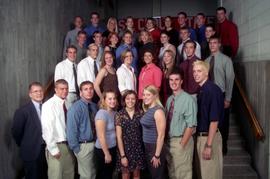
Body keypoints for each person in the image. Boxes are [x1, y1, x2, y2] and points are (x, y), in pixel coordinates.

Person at [193, 61, 224, 179]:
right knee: (203, 174)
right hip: (201, 137)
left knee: (210, 175)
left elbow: (214, 120)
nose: (195, 74)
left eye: (199, 71)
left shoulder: (212, 90)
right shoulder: (200, 90)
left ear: (206, 73)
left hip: (209, 138)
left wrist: (209, 145)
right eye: (194, 71)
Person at [205, 35, 235, 155]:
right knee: (211, 121)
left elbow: (230, 79)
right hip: (209, 95)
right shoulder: (206, 61)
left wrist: (228, 98)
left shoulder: (226, 60)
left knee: (223, 122)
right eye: (210, 43)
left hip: (221, 95)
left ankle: (223, 147)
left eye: (215, 43)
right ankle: (213, 144)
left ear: (219, 44)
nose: (212, 45)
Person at [166, 68, 197, 179]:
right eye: (171, 80)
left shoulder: (188, 99)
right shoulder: (170, 100)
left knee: (183, 175)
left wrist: (182, 144)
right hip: (169, 143)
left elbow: (191, 125)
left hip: (181, 141)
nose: (173, 82)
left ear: (181, 81)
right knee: (172, 174)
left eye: (176, 79)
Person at [12, 82, 47, 179]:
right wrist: (25, 144)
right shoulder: (22, 111)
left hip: (47, 150)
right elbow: (16, 132)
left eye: (40, 91)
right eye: (35, 91)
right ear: (30, 94)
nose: (39, 93)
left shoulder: (47, 108)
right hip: (31, 152)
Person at [41, 79, 75, 179]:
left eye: (66, 89)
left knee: (69, 175)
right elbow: (47, 128)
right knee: (56, 175)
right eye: (61, 89)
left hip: (68, 145)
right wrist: (53, 148)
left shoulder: (68, 103)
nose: (64, 91)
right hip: (57, 145)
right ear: (55, 90)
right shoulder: (48, 105)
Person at [66, 81, 98, 179]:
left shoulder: (94, 106)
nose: (89, 91)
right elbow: (71, 130)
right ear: (80, 93)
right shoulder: (75, 108)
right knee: (86, 175)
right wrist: (77, 149)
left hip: (95, 144)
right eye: (85, 89)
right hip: (83, 146)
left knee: (93, 173)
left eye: (91, 88)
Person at [115, 90, 145, 179]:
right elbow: (119, 137)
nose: (130, 101)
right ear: (124, 100)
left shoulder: (140, 113)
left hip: (138, 149)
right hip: (124, 149)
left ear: (136, 100)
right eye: (128, 99)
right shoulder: (119, 114)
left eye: (133, 99)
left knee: (136, 175)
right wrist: (123, 156)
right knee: (126, 175)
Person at [140, 85, 166, 179]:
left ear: (155, 95)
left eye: (148, 95)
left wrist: (157, 155)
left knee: (157, 175)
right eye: (144, 94)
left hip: (155, 147)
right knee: (152, 174)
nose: (145, 97)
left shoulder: (158, 111)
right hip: (148, 146)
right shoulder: (148, 109)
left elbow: (161, 135)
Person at [94, 91, 118, 179]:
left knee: (110, 173)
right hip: (103, 150)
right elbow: (101, 136)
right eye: (110, 99)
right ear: (104, 100)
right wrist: (106, 153)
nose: (113, 101)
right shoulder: (101, 113)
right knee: (105, 175)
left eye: (114, 98)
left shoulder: (114, 113)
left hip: (113, 147)